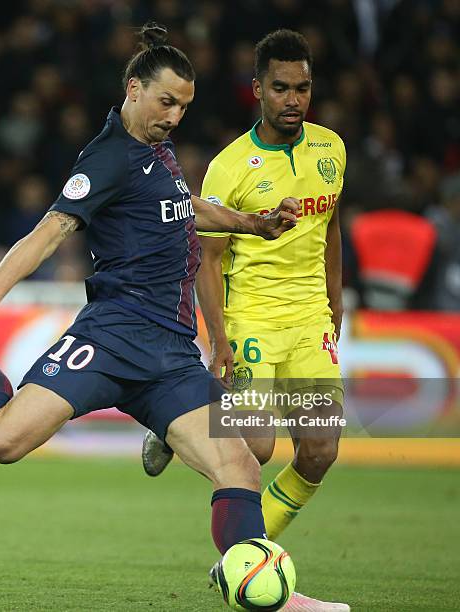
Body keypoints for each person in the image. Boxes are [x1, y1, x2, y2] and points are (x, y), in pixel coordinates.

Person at [0, 23, 299, 589]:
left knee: (251, 452)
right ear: (133, 88)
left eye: (184, 105)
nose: (176, 115)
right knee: (0, 441)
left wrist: (252, 224)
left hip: (172, 353)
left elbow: (185, 208)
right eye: (166, 102)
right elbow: (45, 235)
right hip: (112, 339)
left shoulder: (158, 149)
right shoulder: (107, 159)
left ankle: (244, 578)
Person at [142, 29, 350, 611]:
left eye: (302, 88)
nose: (293, 99)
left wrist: (335, 306)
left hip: (310, 320)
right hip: (252, 317)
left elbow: (330, 228)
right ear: (258, 89)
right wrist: (221, 338)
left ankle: (237, 562)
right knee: (254, 450)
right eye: (281, 87)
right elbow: (208, 259)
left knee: (319, 453)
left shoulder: (332, 150)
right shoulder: (230, 167)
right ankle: (170, 424)